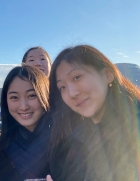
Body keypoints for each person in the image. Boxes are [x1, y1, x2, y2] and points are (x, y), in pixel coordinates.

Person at [48, 45, 140, 181]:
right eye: (62, 87)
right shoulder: (75, 137)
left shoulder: (133, 131)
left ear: (108, 75)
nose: (72, 93)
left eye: (77, 77)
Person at [0, 65, 52, 181]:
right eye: (14, 97)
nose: (23, 106)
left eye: (32, 95)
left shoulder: (67, 143)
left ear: (46, 96)